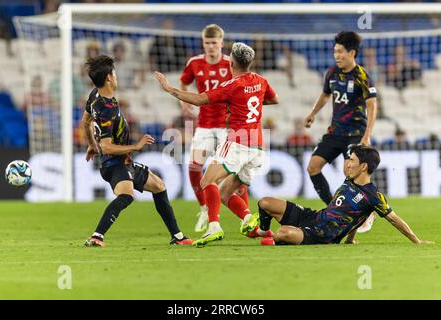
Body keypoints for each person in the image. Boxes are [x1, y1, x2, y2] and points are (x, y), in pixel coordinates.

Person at [155, 42, 279, 246]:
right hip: (258, 147)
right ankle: (251, 221)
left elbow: (198, 99)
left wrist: (170, 89)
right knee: (224, 193)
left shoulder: (231, 86)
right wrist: (249, 101)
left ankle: (214, 227)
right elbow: (274, 100)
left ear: (231, 62)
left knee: (206, 181)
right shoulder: (261, 81)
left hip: (238, 142)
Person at [81, 55, 193, 247]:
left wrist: (91, 143)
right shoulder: (107, 109)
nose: (115, 77)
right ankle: (96, 236)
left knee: (159, 185)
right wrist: (136, 146)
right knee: (126, 196)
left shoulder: (95, 96)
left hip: (123, 161)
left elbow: (86, 120)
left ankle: (178, 236)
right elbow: (106, 146)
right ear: (109, 77)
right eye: (114, 73)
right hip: (113, 163)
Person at [245, 145, 433, 246]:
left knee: (284, 232)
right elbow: (358, 216)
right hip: (313, 216)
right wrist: (351, 239)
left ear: (364, 166)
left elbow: (393, 219)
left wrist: (416, 240)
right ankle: (264, 231)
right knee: (265, 202)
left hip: (323, 234)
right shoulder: (349, 180)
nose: (348, 164)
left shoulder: (373, 195)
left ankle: (279, 237)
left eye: (352, 160)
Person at [304, 31, 378, 233]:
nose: (336, 55)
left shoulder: (362, 75)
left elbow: (372, 105)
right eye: (334, 51)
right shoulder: (331, 73)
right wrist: (313, 113)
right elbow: (325, 95)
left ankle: (368, 212)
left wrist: (367, 134)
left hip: (355, 132)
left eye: (340, 52)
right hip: (335, 131)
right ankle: (333, 209)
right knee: (313, 167)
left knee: (351, 171)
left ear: (352, 53)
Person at [180, 24, 249, 233]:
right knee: (193, 166)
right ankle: (203, 208)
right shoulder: (194, 63)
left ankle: (246, 217)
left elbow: (244, 85)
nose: (211, 47)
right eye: (207, 43)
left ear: (221, 42)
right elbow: (184, 83)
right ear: (203, 43)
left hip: (227, 127)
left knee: (234, 172)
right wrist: (184, 103)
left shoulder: (231, 63)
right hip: (205, 125)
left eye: (214, 43)